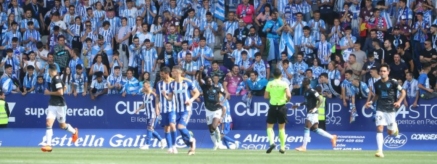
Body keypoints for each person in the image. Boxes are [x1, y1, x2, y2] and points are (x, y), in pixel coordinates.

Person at [365, 64, 405, 158]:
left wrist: (399, 102)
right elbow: (377, 95)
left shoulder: (393, 82)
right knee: (379, 128)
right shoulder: (377, 84)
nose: (382, 73)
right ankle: (380, 151)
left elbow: (403, 91)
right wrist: (371, 102)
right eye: (381, 71)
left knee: (390, 132)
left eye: (384, 71)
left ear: (388, 72)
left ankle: (394, 128)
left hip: (391, 108)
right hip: (380, 108)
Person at [41, 64, 79, 152]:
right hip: (52, 104)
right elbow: (65, 87)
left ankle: (74, 132)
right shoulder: (56, 78)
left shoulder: (56, 79)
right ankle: (48, 145)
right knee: (48, 123)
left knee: (62, 125)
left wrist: (49, 93)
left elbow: (61, 92)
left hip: (60, 105)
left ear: (50, 71)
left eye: (48, 71)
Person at [293, 78, 337, 152]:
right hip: (311, 112)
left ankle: (304, 147)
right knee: (315, 129)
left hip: (312, 112)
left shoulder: (313, 91)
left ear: (307, 83)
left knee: (307, 127)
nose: (302, 82)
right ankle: (332, 137)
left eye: (303, 81)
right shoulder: (306, 91)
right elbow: (307, 102)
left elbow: (321, 100)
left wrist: (315, 108)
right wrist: (299, 105)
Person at [165, 66, 200, 155]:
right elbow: (170, 97)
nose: (171, 73)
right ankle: (191, 146)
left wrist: (191, 100)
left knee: (180, 127)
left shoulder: (187, 82)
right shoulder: (172, 84)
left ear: (178, 72)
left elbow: (197, 92)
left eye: (172, 71)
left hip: (186, 109)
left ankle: (192, 139)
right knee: (180, 130)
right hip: (177, 110)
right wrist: (165, 95)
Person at [264, 68, 291, 154]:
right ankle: (282, 147)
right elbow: (289, 95)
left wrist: (272, 96)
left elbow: (266, 96)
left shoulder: (270, 83)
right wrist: (286, 100)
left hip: (272, 106)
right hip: (282, 106)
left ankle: (272, 142)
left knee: (269, 126)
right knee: (282, 128)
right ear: (281, 75)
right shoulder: (284, 83)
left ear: (272, 75)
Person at [197, 70, 226, 150]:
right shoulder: (204, 88)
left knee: (214, 126)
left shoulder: (217, 88)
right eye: (208, 81)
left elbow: (226, 94)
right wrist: (200, 72)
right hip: (208, 110)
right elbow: (199, 80)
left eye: (210, 80)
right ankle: (216, 144)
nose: (209, 82)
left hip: (217, 109)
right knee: (211, 129)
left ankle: (219, 142)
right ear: (206, 82)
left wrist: (222, 101)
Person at [135, 81, 166, 150]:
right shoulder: (144, 95)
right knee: (151, 129)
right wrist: (138, 109)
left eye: (144, 86)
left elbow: (158, 104)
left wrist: (158, 111)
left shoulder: (153, 95)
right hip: (148, 115)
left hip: (153, 115)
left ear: (148, 86)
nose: (143, 88)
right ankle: (162, 140)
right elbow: (144, 105)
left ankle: (147, 144)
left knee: (149, 128)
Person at [155, 67, 177, 154]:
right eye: (160, 73)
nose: (161, 75)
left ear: (167, 74)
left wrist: (166, 96)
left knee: (172, 125)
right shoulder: (159, 83)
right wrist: (157, 108)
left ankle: (174, 146)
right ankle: (169, 147)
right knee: (166, 128)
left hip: (172, 108)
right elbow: (157, 96)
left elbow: (173, 96)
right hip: (163, 109)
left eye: (162, 74)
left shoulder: (174, 83)